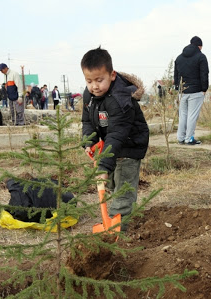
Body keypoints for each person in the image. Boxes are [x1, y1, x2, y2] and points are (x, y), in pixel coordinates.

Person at [81, 47, 149, 231]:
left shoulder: (121, 100)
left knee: (123, 189)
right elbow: (87, 121)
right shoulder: (90, 96)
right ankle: (116, 214)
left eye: (99, 80)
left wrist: (103, 166)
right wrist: (89, 141)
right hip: (110, 146)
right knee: (110, 181)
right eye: (89, 81)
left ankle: (119, 229)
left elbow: (117, 134)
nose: (94, 86)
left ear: (112, 75)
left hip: (129, 145)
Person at [174, 36, 209, 145]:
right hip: (196, 91)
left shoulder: (179, 58)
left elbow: (176, 75)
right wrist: (204, 89)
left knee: (183, 115)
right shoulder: (201, 57)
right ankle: (189, 139)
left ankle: (181, 138)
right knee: (192, 115)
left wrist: (177, 88)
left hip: (183, 92)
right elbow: (204, 74)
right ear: (199, 46)